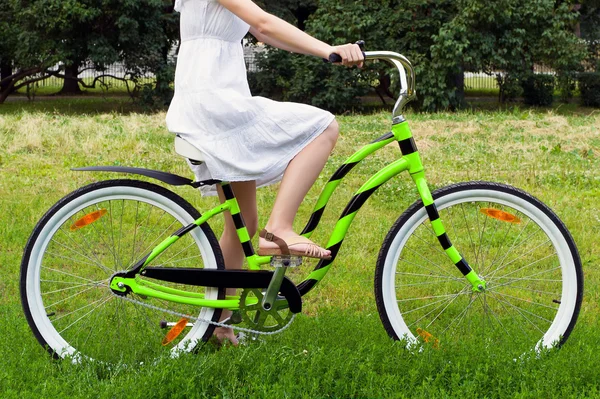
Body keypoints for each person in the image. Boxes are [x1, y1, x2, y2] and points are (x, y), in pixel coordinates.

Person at [166, 0, 364, 345]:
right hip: (214, 102)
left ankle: (218, 322)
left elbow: (259, 29)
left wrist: (325, 51)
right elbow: (263, 23)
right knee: (324, 127)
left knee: (242, 223)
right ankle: (281, 229)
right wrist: (329, 50)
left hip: (213, 98)